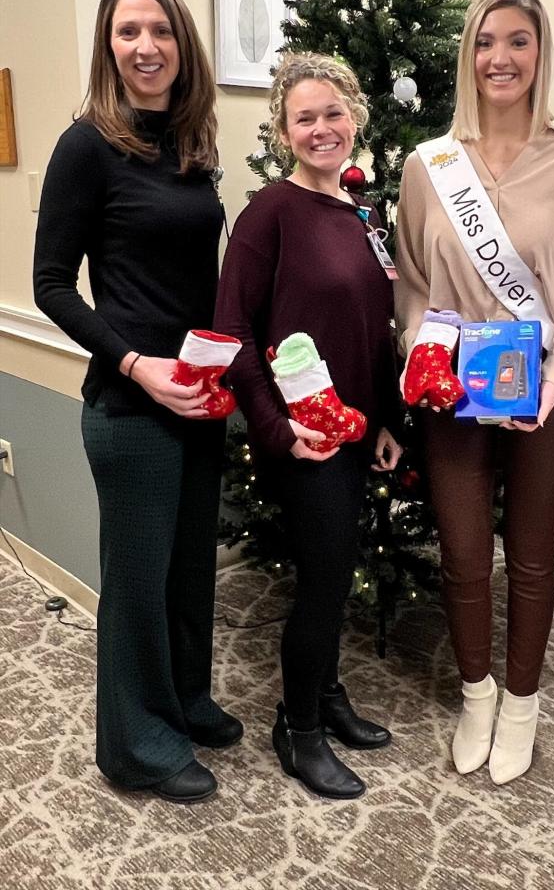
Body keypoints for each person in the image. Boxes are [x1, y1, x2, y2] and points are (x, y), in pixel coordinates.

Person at [395, 0, 554, 785]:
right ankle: (477, 694)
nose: (500, 57)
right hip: (453, 397)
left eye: (518, 41)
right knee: (461, 556)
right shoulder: (430, 165)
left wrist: (553, 381)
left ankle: (522, 702)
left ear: (540, 54)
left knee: (528, 559)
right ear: (467, 57)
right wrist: (427, 358)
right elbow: (413, 288)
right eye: (485, 42)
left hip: (544, 395)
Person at [33, 0, 239, 803]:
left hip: (199, 398)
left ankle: (185, 702)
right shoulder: (87, 145)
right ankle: (135, 743)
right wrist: (136, 365)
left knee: (191, 572)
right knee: (137, 583)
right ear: (107, 46)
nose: (146, 47)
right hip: (131, 406)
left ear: (182, 44)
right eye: (127, 32)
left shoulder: (193, 148)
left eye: (160, 30)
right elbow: (50, 284)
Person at [213, 52, 402, 801]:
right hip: (305, 439)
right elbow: (232, 335)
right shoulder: (269, 216)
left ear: (353, 115)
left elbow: (373, 325)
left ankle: (325, 696)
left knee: (335, 570)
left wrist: (388, 419)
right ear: (283, 131)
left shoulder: (362, 211)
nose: (322, 129)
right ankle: (299, 731)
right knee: (323, 584)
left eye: (333, 113)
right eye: (305, 118)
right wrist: (277, 429)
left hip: (356, 429)